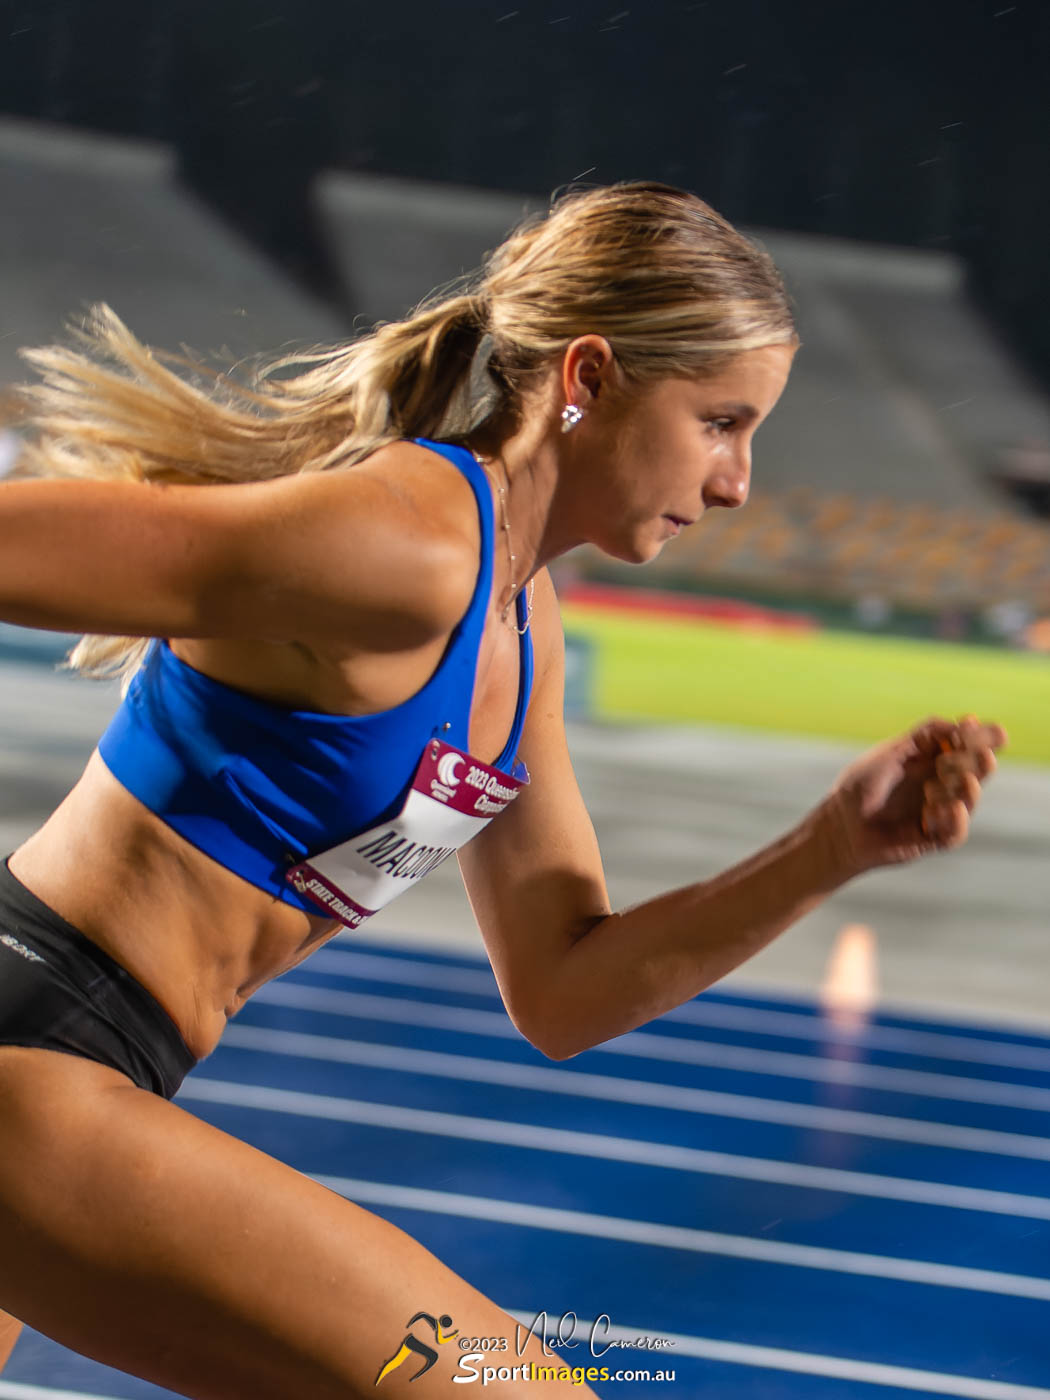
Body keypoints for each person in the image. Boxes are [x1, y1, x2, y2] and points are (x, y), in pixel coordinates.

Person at [0, 182, 1004, 1399]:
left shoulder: (520, 625)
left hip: (100, 1062)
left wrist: (834, 844)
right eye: (721, 421)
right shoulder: (405, 544)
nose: (740, 481)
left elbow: (565, 987)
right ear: (588, 376)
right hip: (38, 1048)